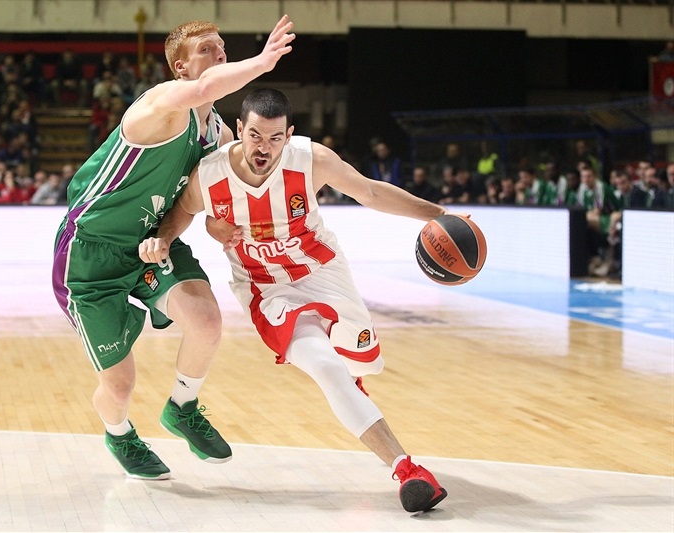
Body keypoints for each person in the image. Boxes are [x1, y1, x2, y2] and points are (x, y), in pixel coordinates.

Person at [139, 88, 448, 513]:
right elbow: (183, 211)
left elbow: (372, 193)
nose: (263, 148)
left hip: (324, 272)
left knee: (359, 362)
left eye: (274, 138)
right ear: (240, 130)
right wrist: (166, 237)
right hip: (267, 289)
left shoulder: (311, 160)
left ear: (289, 135)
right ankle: (407, 469)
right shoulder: (210, 175)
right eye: (253, 136)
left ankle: (353, 380)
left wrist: (440, 216)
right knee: (324, 366)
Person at [51, 17, 295, 481]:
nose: (220, 54)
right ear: (180, 66)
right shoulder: (161, 103)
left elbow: (220, 194)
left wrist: (219, 224)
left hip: (155, 239)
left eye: (222, 47)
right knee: (119, 384)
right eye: (207, 49)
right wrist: (263, 63)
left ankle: (182, 407)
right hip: (91, 251)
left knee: (206, 320)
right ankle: (119, 433)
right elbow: (205, 87)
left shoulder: (218, 135)